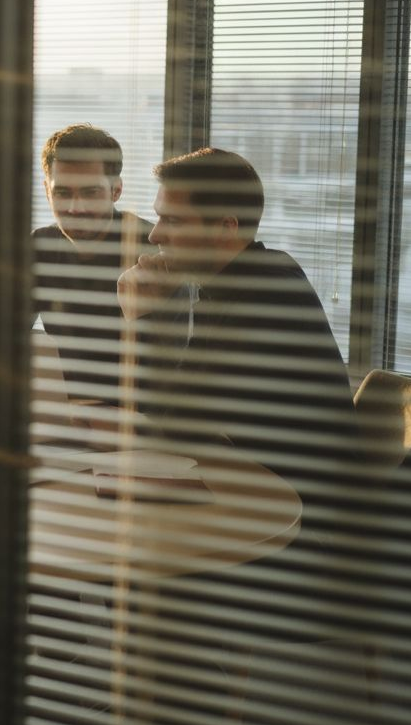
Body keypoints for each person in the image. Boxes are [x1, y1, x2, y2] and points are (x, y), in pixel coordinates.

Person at [117, 147, 360, 518]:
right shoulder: (245, 277)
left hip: (299, 519)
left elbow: (168, 423)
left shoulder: (266, 295)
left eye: (173, 221)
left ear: (226, 227)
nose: (155, 236)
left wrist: (145, 315)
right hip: (257, 491)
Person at [34, 123, 154, 400]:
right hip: (67, 412)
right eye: (63, 193)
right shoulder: (38, 248)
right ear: (47, 191)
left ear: (116, 191)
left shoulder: (150, 250)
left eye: (91, 192)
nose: (77, 208)